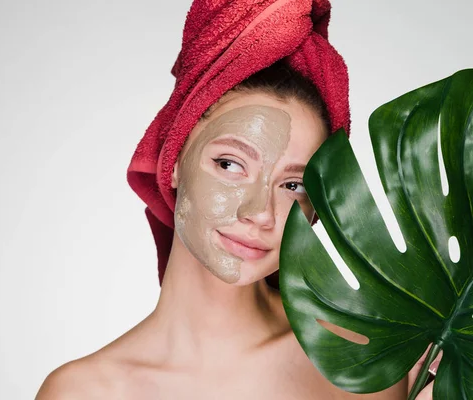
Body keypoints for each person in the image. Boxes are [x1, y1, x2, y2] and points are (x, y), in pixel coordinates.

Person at [36, 1, 438, 398]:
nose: (260, 213)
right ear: (173, 157)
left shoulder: (358, 358)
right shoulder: (83, 391)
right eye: (230, 164)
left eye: (293, 185)